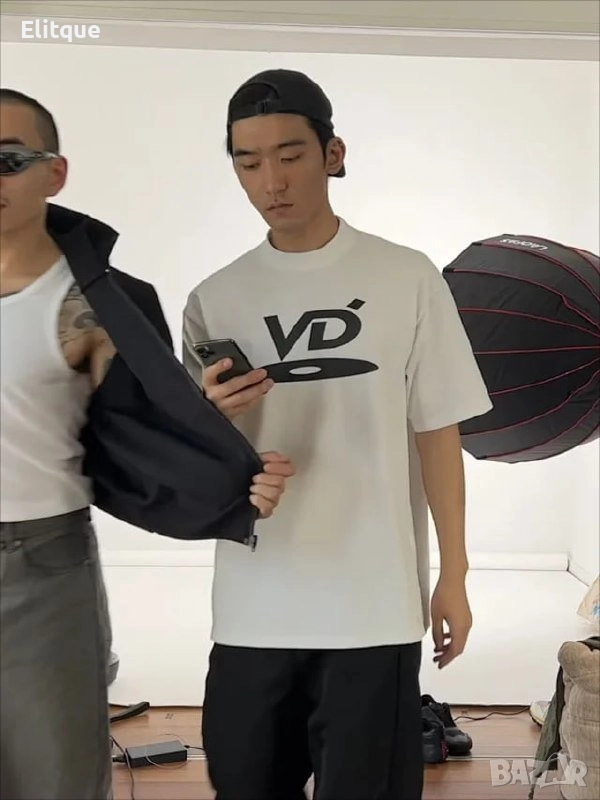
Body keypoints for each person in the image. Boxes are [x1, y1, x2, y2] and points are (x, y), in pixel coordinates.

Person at [182, 69, 493, 800]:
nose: (271, 181)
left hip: (373, 603)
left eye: (290, 155)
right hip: (255, 601)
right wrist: (209, 419)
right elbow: (194, 461)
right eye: (248, 163)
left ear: (333, 153)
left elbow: (437, 432)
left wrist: (453, 574)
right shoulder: (214, 298)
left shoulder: (406, 277)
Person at [0, 88, 294, 800]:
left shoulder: (101, 304)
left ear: (54, 172)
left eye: (6, 161)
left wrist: (222, 454)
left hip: (41, 567)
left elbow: (141, 431)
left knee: (57, 778)